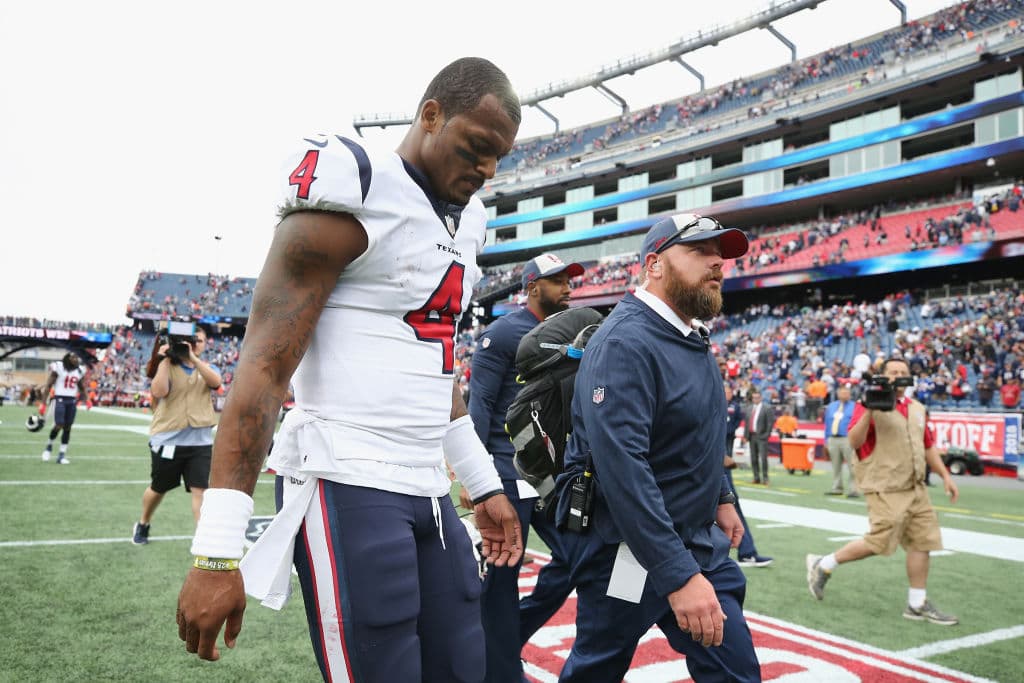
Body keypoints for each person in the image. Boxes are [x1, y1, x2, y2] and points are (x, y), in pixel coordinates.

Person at [176, 57, 523, 682]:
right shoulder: (356, 181)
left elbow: (432, 367)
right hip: (345, 471)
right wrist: (218, 550)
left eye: (499, 157)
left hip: (428, 483)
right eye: (477, 148)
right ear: (431, 114)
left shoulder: (468, 219)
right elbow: (263, 366)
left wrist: (485, 483)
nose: (487, 170)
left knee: (463, 666)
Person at [553, 213, 760, 682]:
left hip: (693, 541)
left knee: (736, 672)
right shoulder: (625, 341)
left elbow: (693, 435)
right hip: (629, 551)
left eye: (720, 255)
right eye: (700, 252)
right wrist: (677, 574)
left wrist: (723, 498)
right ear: (655, 265)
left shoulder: (687, 335)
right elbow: (621, 468)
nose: (717, 264)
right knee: (598, 667)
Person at [467, 252, 583, 682]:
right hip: (506, 474)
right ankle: (499, 671)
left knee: (578, 558)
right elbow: (479, 405)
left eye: (569, 279)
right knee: (500, 581)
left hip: (552, 476)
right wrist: (476, 478)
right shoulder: (501, 335)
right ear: (532, 286)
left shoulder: (573, 331)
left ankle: (508, 637)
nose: (568, 287)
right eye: (558, 280)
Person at [806, 358, 960, 625]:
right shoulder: (867, 405)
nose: (898, 376)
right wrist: (868, 408)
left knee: (924, 542)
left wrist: (945, 475)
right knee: (879, 542)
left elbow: (927, 446)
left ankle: (916, 603)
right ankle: (825, 563)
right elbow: (854, 441)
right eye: (893, 372)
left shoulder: (917, 408)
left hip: (916, 486)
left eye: (903, 372)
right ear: (882, 376)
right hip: (884, 486)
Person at [132, 324, 222, 545]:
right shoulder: (167, 366)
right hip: (168, 439)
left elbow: (216, 383)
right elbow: (159, 391)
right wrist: (164, 359)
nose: (192, 345)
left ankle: (203, 540)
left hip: (200, 441)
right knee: (159, 488)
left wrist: (193, 357)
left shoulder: (207, 367)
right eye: (189, 341)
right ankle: (143, 522)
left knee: (201, 490)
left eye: (197, 341)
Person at [724, 384, 773, 568]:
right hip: (712, 463)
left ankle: (747, 551)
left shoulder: (731, 407)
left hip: (718, 463)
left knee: (731, 504)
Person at [39, 352, 88, 464]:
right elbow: (48, 386)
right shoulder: (59, 367)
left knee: (68, 427)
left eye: (77, 357)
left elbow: (81, 386)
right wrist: (43, 403)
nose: (76, 359)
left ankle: (61, 455)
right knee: (59, 424)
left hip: (71, 401)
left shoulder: (79, 370)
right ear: (68, 358)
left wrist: (87, 399)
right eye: (73, 357)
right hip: (59, 399)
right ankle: (49, 447)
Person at [822, 383, 860, 497]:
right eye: (842, 392)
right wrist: (826, 440)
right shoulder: (832, 406)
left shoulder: (855, 407)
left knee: (852, 465)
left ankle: (854, 489)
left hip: (847, 438)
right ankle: (837, 487)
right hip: (833, 438)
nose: (845, 394)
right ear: (838, 394)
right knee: (835, 465)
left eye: (847, 393)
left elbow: (858, 423)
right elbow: (827, 424)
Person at [743, 389, 774, 485]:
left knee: (763, 458)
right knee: (753, 458)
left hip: (761, 436)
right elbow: (747, 423)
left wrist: (766, 435)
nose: (755, 399)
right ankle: (756, 477)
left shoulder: (767, 408)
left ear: (761, 398)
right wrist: (745, 436)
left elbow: (770, 423)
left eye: (757, 397)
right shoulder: (749, 408)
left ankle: (765, 478)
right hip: (752, 436)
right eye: (754, 398)